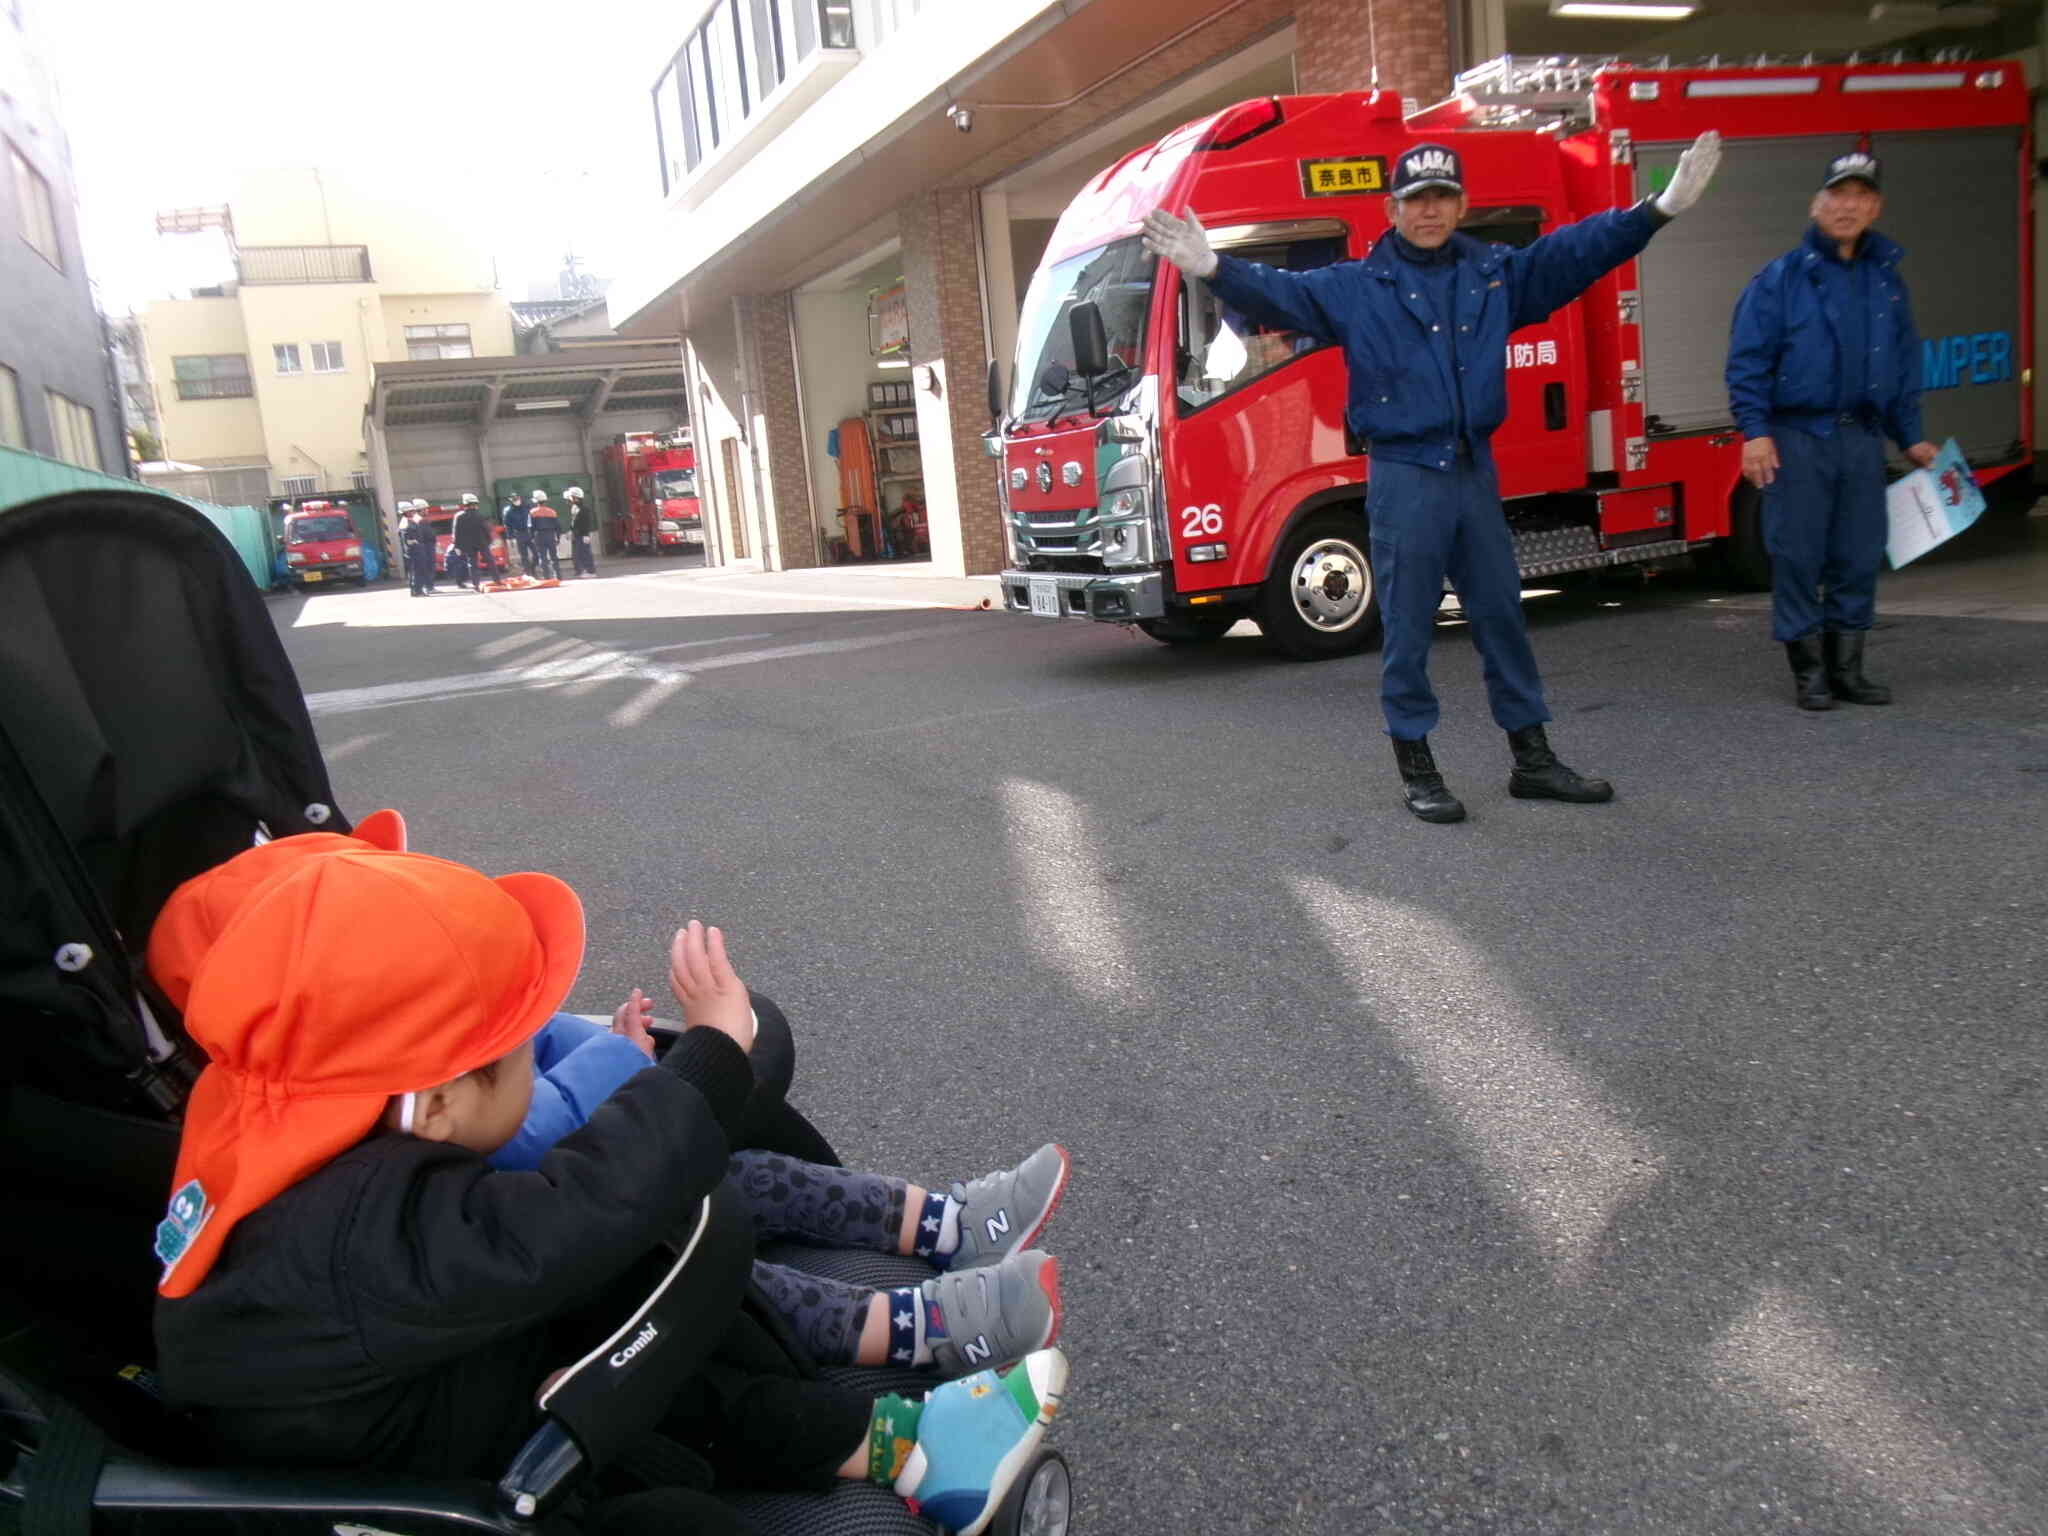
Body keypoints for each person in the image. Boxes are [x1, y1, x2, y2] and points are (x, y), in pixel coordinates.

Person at [147, 843, 1069, 1532]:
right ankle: (903, 1424)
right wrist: (708, 1052)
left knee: (665, 1370)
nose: (535, 1054)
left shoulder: (281, 1120)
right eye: (515, 1055)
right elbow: (580, 1209)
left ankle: (912, 1447)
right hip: (430, 1486)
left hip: (441, 1385)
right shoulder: (351, 1234)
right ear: (431, 1107)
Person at [1143, 131, 1724, 823]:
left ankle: (1532, 759)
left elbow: (1574, 253)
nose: (1430, 211)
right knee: (1410, 625)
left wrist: (1655, 212)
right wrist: (1213, 267)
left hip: (1473, 470)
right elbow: (1280, 295)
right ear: (1392, 208)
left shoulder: (1495, 275)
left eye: (1443, 197)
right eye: (1417, 199)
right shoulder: (1357, 287)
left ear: (1462, 204)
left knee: (1502, 617)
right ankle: (1417, 763)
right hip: (1405, 474)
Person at [1725, 148, 1937, 712]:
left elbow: (1901, 364)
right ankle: (1810, 673)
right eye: (1837, 195)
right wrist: (1754, 430)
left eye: (1859, 196)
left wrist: (1910, 434)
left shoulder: (1886, 281)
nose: (1847, 206)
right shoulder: (1780, 279)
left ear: (1875, 207)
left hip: (1861, 437)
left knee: (1859, 552)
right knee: (1796, 553)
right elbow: (1748, 361)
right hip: (1797, 437)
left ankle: (1849, 669)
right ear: (1817, 205)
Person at [449, 494, 490, 590]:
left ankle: (473, 583)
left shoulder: (476, 515)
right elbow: (456, 531)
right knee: (464, 564)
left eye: (475, 504)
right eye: (473, 504)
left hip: (467, 544)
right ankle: (462, 582)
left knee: (471, 564)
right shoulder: (460, 516)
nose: (474, 506)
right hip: (464, 544)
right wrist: (457, 545)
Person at [401, 502, 437, 596]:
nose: (414, 512)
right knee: (417, 571)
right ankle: (417, 590)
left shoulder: (410, 521)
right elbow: (407, 539)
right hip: (414, 551)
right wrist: (414, 542)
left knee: (417, 571)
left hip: (417, 550)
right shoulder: (406, 523)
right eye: (412, 511)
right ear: (407, 512)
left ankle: (417, 590)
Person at [528, 489, 561, 579]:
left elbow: (530, 527)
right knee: (554, 556)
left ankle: (546, 577)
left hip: (539, 535)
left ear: (536, 501)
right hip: (550, 535)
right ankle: (558, 576)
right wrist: (558, 537)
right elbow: (558, 526)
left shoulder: (532, 512)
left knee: (542, 557)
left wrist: (531, 538)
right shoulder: (552, 512)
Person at [568, 485, 598, 578]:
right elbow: (574, 522)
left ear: (576, 498)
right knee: (579, 553)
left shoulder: (584, 509)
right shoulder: (575, 508)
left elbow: (585, 523)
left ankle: (591, 571)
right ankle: (584, 570)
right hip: (577, 534)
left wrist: (585, 534)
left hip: (583, 534)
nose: (570, 499)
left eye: (571, 497)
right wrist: (571, 531)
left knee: (585, 552)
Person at [502, 493, 533, 575]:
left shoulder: (527, 507)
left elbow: (532, 519)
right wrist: (510, 537)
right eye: (514, 500)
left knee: (536, 553)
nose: (516, 501)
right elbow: (507, 525)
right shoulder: (509, 512)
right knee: (524, 555)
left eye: (517, 498)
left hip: (529, 532)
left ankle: (532, 568)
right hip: (519, 533)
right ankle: (528, 572)